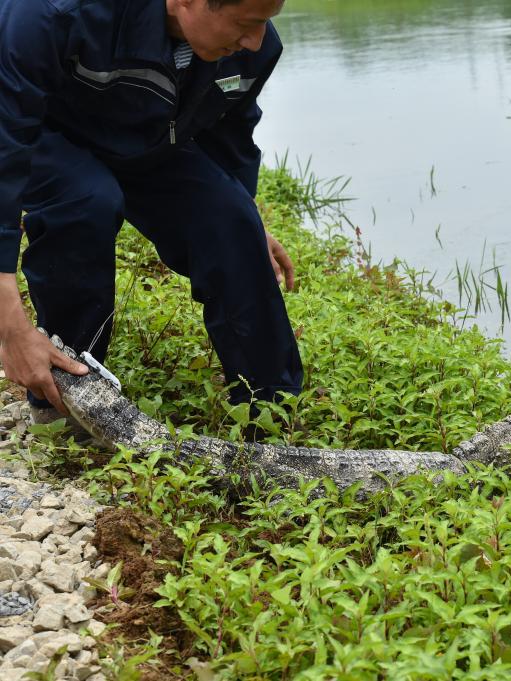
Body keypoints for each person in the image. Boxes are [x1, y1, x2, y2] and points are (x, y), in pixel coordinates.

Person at [0, 0, 303, 426]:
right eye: (245, 23)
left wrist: (249, 226)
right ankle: (60, 401)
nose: (257, 40)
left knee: (231, 221)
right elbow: (7, 140)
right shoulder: (52, 13)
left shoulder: (254, 49)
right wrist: (11, 331)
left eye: (265, 23)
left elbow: (229, 135)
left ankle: (272, 411)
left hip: (136, 131)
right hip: (34, 125)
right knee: (86, 200)